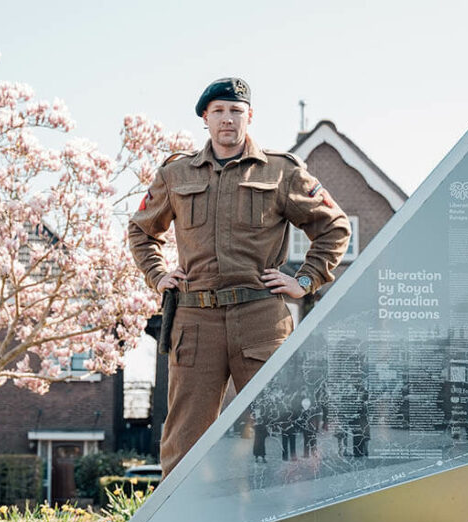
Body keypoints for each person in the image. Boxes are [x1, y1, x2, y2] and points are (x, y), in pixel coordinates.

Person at [128, 77, 351, 475]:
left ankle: (288, 521)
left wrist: (304, 281)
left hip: (261, 317)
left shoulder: (281, 172)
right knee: (185, 436)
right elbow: (141, 230)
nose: (227, 119)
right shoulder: (175, 175)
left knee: (284, 427)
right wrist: (157, 275)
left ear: (250, 117)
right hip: (196, 321)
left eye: (236, 111)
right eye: (218, 111)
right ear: (205, 118)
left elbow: (334, 227)